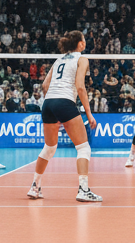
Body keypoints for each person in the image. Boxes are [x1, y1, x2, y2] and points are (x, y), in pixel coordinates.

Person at [27, 30, 101, 203]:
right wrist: (89, 114)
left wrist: (54, 106)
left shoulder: (59, 59)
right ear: (80, 44)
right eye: (84, 40)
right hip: (65, 101)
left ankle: (35, 187)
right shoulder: (82, 59)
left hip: (48, 103)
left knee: (49, 148)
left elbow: (45, 85)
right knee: (83, 148)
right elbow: (80, 87)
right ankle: (83, 190)